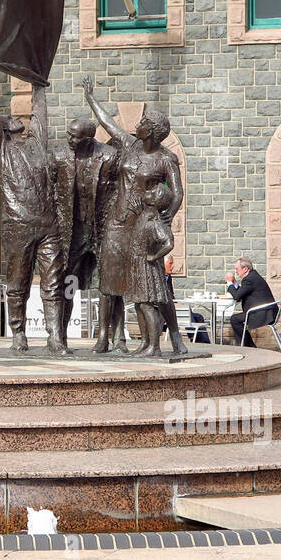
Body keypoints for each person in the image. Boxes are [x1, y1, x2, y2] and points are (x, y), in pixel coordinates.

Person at [83, 77, 186, 357]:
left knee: (151, 289)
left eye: (142, 123)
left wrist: (166, 218)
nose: (136, 125)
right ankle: (104, 337)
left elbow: (177, 193)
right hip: (118, 223)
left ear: (151, 131)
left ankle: (173, 338)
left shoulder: (166, 159)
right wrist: (91, 98)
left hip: (143, 226)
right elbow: (108, 125)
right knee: (109, 280)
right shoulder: (129, 146)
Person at [0, 62, 69, 355]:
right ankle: (18, 332)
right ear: (1, 128)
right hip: (18, 225)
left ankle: (56, 337)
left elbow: (40, 112)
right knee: (18, 283)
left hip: (48, 226)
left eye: (17, 117)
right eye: (8, 117)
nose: (15, 117)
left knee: (53, 283)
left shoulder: (37, 144)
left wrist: (39, 78)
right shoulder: (0, 148)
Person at [53, 114, 115, 339]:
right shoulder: (59, 155)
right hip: (72, 232)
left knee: (108, 285)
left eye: (74, 136)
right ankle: (60, 335)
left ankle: (107, 336)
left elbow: (121, 192)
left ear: (89, 138)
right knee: (67, 282)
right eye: (69, 133)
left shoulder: (109, 157)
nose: (69, 139)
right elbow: (48, 190)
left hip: (102, 230)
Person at [224, 257, 278, 347]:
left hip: (262, 314)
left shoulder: (249, 279)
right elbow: (240, 293)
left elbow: (237, 296)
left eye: (237, 269)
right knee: (236, 319)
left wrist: (229, 283)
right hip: (265, 312)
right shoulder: (252, 276)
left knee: (234, 319)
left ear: (245, 269)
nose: (236, 271)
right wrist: (234, 283)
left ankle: (247, 346)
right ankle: (249, 346)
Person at [164, 254, 209, 344]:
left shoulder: (168, 277)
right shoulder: (158, 278)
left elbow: (171, 295)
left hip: (173, 307)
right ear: (163, 264)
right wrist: (175, 304)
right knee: (186, 310)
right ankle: (193, 336)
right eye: (170, 263)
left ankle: (203, 342)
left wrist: (176, 303)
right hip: (164, 311)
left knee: (199, 317)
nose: (172, 266)